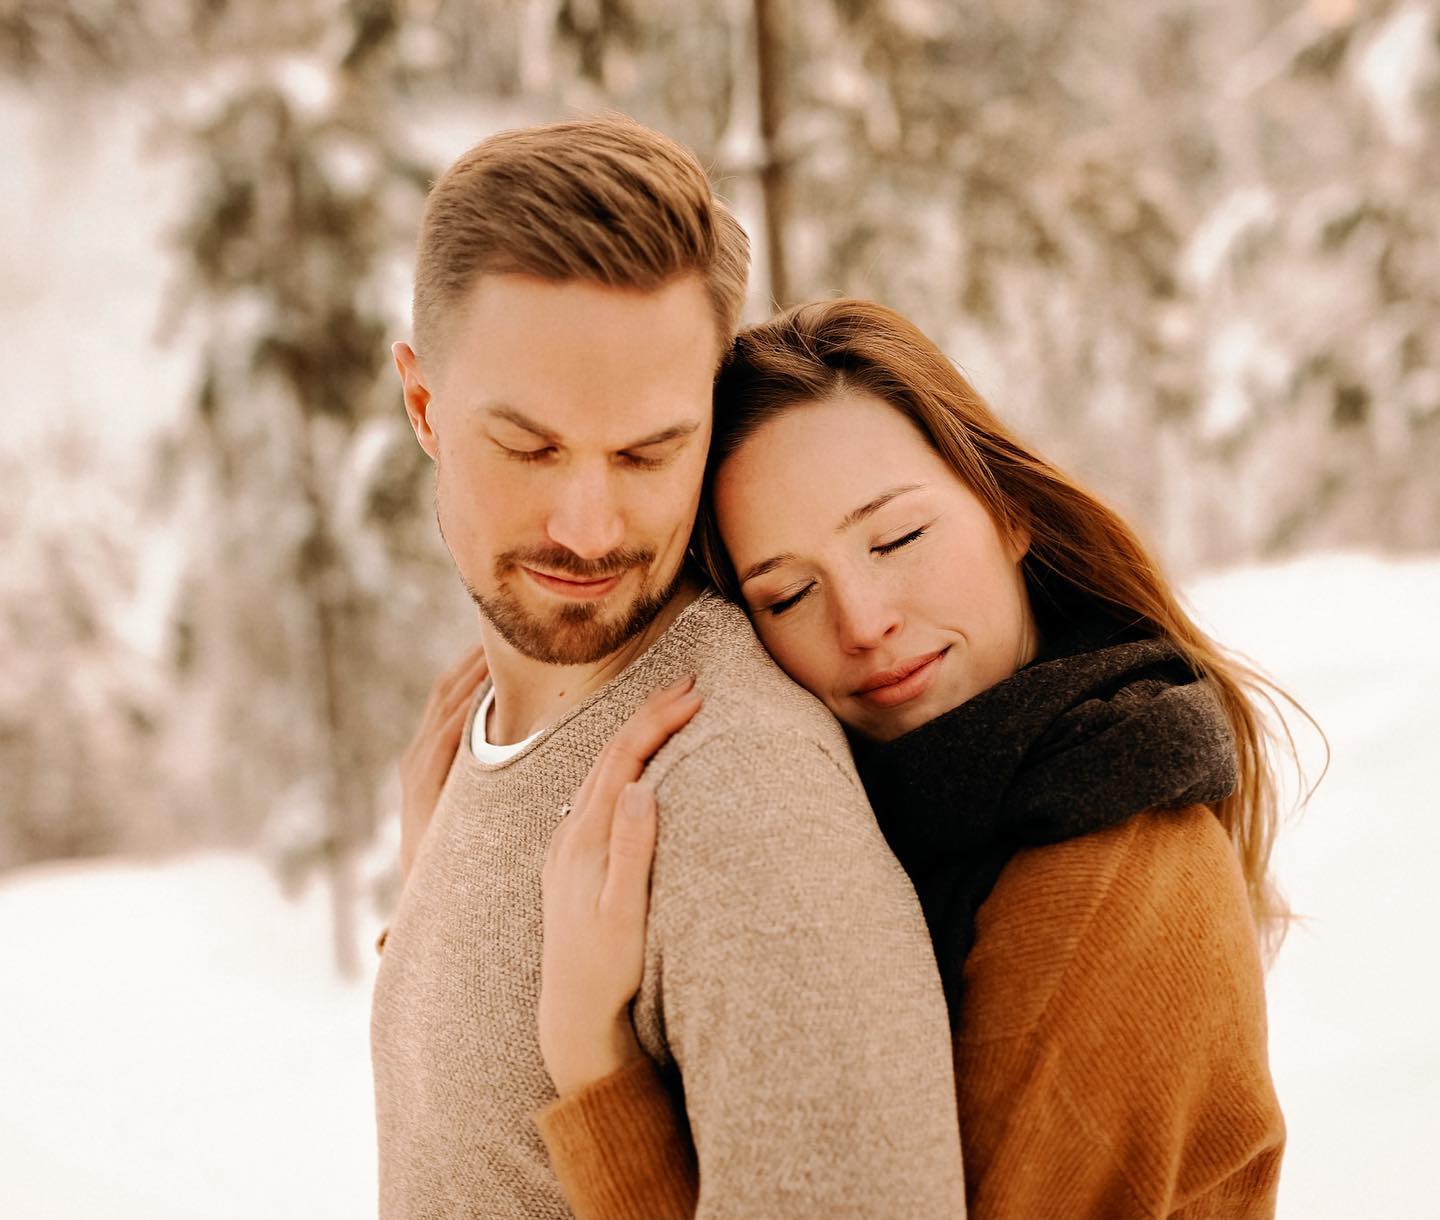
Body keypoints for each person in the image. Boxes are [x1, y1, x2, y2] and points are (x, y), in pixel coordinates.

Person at [526, 298, 1290, 1218]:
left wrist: (596, 1069)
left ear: (1009, 510)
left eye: (897, 539)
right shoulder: (907, 820)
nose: (863, 622)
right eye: (788, 594)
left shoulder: (1103, 889)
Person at [369, 120, 966, 1219]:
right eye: (530, 447)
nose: (589, 529)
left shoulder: (738, 794)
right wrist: (431, 902)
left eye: (650, 452)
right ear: (423, 408)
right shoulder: (480, 745)